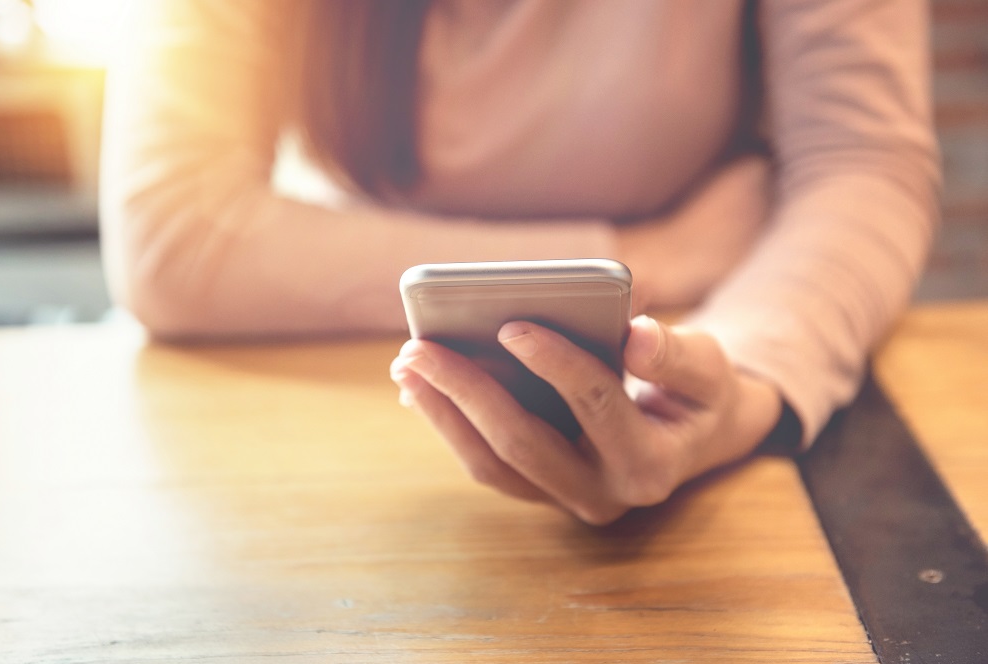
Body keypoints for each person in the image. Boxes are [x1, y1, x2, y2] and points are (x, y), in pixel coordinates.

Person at [101, 0, 940, 524]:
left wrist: (747, 380)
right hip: (316, 440)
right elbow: (171, 231)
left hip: (700, 351)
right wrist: (646, 257)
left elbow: (863, 163)